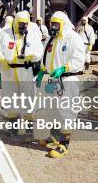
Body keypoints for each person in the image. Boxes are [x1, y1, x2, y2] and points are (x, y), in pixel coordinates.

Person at [36, 11, 85, 158]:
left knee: (66, 111)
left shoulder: (73, 38)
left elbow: (78, 60)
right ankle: (55, 137)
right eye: (52, 23)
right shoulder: (51, 39)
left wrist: (64, 68)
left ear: (63, 24)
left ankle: (64, 144)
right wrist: (41, 71)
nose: (54, 26)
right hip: (52, 80)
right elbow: (46, 57)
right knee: (52, 110)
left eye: (56, 24)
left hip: (67, 80)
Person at [0, 10, 43, 123]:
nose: (23, 26)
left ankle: (28, 124)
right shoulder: (5, 34)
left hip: (26, 70)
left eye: (25, 24)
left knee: (28, 97)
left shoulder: (33, 35)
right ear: (15, 22)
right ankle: (12, 124)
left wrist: (31, 57)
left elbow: (39, 51)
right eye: (21, 23)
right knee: (10, 97)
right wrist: (1, 59)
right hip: (9, 71)